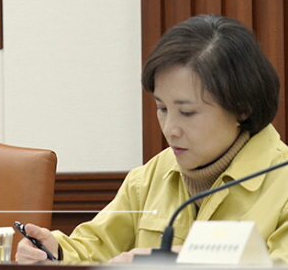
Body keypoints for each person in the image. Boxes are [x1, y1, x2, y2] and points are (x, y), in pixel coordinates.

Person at [16, 15, 288, 264]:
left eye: (187, 112)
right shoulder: (149, 178)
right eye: (162, 108)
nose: (170, 129)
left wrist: (167, 261)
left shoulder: (281, 178)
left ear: (242, 107)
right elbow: (93, 249)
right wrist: (56, 253)